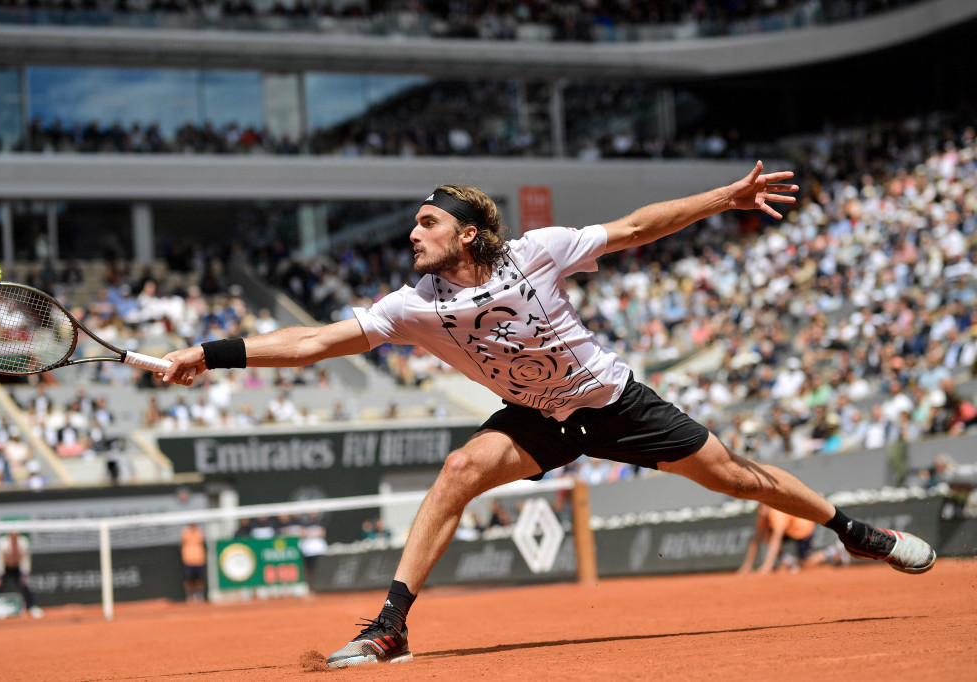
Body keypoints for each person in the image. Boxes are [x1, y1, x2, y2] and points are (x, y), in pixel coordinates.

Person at [159, 163, 937, 668]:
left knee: (735, 477)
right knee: (460, 469)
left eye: (425, 224)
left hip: (614, 401)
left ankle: (853, 532)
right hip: (536, 415)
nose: (411, 234)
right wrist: (212, 351)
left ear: (467, 232)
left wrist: (724, 198)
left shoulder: (538, 250)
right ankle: (390, 627)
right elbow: (312, 343)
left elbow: (638, 228)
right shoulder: (411, 304)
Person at [737, 503, 816, 574]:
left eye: (764, 506)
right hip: (788, 531)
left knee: (806, 563)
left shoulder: (777, 514)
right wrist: (747, 565)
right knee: (766, 536)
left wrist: (767, 567)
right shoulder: (762, 516)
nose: (761, 510)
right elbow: (756, 541)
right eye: (760, 507)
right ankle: (789, 560)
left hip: (802, 530)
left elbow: (776, 540)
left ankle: (827, 553)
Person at [0, 530, 43, 618]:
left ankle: (31, 607)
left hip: (17, 568)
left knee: (25, 587)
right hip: (5, 568)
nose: (14, 534)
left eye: (16, 532)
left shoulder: (23, 542)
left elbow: (26, 559)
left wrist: (25, 574)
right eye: (12, 532)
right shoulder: (2, 543)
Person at [180, 523, 207, 602]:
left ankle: (199, 595)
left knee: (199, 579)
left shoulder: (199, 532)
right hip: (188, 560)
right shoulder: (185, 532)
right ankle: (190, 595)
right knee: (189, 579)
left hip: (199, 559)